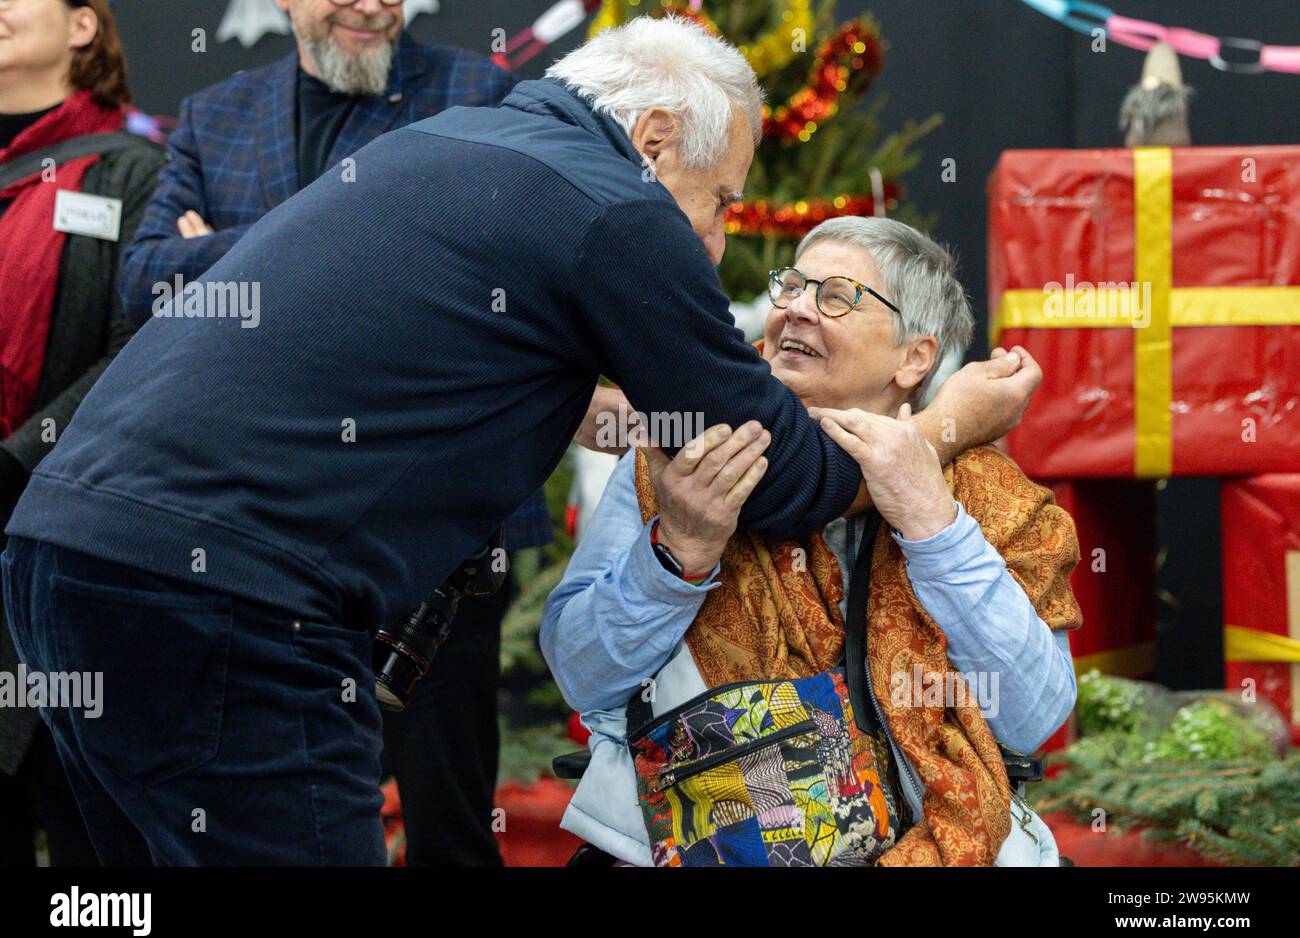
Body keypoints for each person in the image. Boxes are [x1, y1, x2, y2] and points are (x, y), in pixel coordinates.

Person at [2, 16, 1041, 865]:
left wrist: (557, 391)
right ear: (654, 139)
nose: (718, 239)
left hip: (64, 552)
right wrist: (948, 423)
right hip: (227, 602)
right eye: (721, 197)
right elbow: (790, 477)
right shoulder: (613, 205)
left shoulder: (445, 144)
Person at [117, 0, 544, 867]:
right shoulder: (218, 114)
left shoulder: (479, 94)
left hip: (434, 536)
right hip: (256, 526)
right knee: (269, 809)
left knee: (449, 825)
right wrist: (335, 254)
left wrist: (232, 255)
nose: (371, 5)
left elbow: (501, 275)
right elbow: (147, 280)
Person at [542, 217, 1082, 866]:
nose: (795, 308)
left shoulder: (984, 494)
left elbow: (1034, 716)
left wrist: (933, 526)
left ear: (915, 357)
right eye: (791, 287)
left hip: (928, 843)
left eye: (835, 297)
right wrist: (677, 554)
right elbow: (581, 675)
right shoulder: (683, 465)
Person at [0, 0, 164, 866]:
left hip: (67, 542)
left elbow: (146, 346)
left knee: (88, 834)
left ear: (83, 27)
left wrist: (15, 457)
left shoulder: (134, 172)